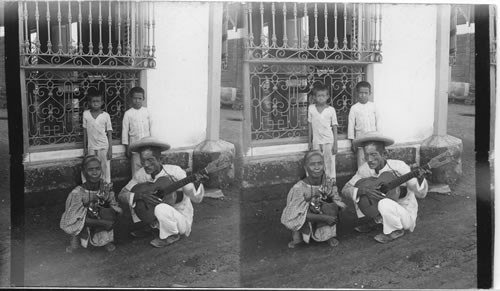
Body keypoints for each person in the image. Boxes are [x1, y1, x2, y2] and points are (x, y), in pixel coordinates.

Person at [341, 132, 430, 243]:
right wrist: (363, 190)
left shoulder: (399, 167)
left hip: (404, 214)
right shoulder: (364, 169)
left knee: (384, 202)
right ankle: (378, 220)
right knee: (360, 187)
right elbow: (345, 189)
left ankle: (396, 230)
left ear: (384, 154)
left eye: (374, 154)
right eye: (366, 155)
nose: (369, 159)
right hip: (383, 211)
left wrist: (421, 179)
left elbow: (421, 194)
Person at [118, 136, 207, 248]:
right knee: (135, 195)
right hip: (155, 218)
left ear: (160, 159)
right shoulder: (140, 174)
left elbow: (195, 197)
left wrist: (198, 184)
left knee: (161, 208)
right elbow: (122, 194)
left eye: (150, 160)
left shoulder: (175, 171)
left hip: (179, 219)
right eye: (143, 160)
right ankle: (152, 228)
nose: (146, 165)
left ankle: (172, 235)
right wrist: (140, 195)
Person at [281, 151, 347, 249]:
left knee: (329, 206)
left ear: (323, 165)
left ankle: (328, 236)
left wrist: (337, 203)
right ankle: (299, 237)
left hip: (320, 212)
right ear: (305, 167)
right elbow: (293, 215)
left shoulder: (328, 182)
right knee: (300, 211)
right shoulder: (298, 188)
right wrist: (325, 218)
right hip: (306, 218)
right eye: (312, 164)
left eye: (320, 163)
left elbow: (337, 200)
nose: (317, 167)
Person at [60, 155, 123, 253]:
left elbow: (113, 203)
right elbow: (70, 219)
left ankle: (105, 240)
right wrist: (103, 223)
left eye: (98, 169)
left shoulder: (105, 186)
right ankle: (76, 237)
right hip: (83, 220)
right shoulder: (77, 193)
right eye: (90, 169)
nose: (95, 173)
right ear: (84, 172)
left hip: (97, 215)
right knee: (73, 222)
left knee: (108, 211)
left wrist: (114, 210)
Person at [308, 84, 339, 180]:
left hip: (329, 141)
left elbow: (334, 127)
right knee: (317, 162)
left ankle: (331, 184)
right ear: (314, 97)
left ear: (327, 97)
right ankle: (318, 183)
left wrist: (335, 144)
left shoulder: (331, 110)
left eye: (323, 96)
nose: (321, 98)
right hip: (316, 141)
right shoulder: (311, 108)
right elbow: (309, 125)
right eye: (318, 96)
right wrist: (309, 141)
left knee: (329, 163)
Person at [82, 92, 113, 183]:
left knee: (105, 168)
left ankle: (106, 187)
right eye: (93, 101)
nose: (95, 103)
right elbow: (85, 132)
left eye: (98, 101)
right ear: (89, 103)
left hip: (103, 146)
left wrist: (110, 149)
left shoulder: (106, 115)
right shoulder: (86, 114)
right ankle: (92, 186)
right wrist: (85, 147)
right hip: (91, 147)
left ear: (102, 102)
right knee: (91, 167)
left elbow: (109, 132)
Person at [122, 86, 152, 175]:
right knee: (136, 168)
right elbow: (125, 131)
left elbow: (151, 128)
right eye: (135, 98)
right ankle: (137, 187)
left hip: (147, 145)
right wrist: (127, 148)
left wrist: (153, 144)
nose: (137, 101)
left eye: (140, 98)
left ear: (143, 99)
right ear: (131, 99)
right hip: (134, 146)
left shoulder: (147, 112)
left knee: (148, 166)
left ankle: (149, 185)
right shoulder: (128, 114)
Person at [347, 81, 378, 168]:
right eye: (361, 93)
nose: (363, 95)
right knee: (362, 161)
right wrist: (352, 141)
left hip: (373, 138)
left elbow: (378, 122)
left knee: (373, 159)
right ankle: (362, 179)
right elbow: (351, 125)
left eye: (366, 93)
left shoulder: (373, 106)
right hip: (360, 139)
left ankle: (373, 179)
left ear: (370, 93)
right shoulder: (354, 108)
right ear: (357, 93)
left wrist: (379, 138)